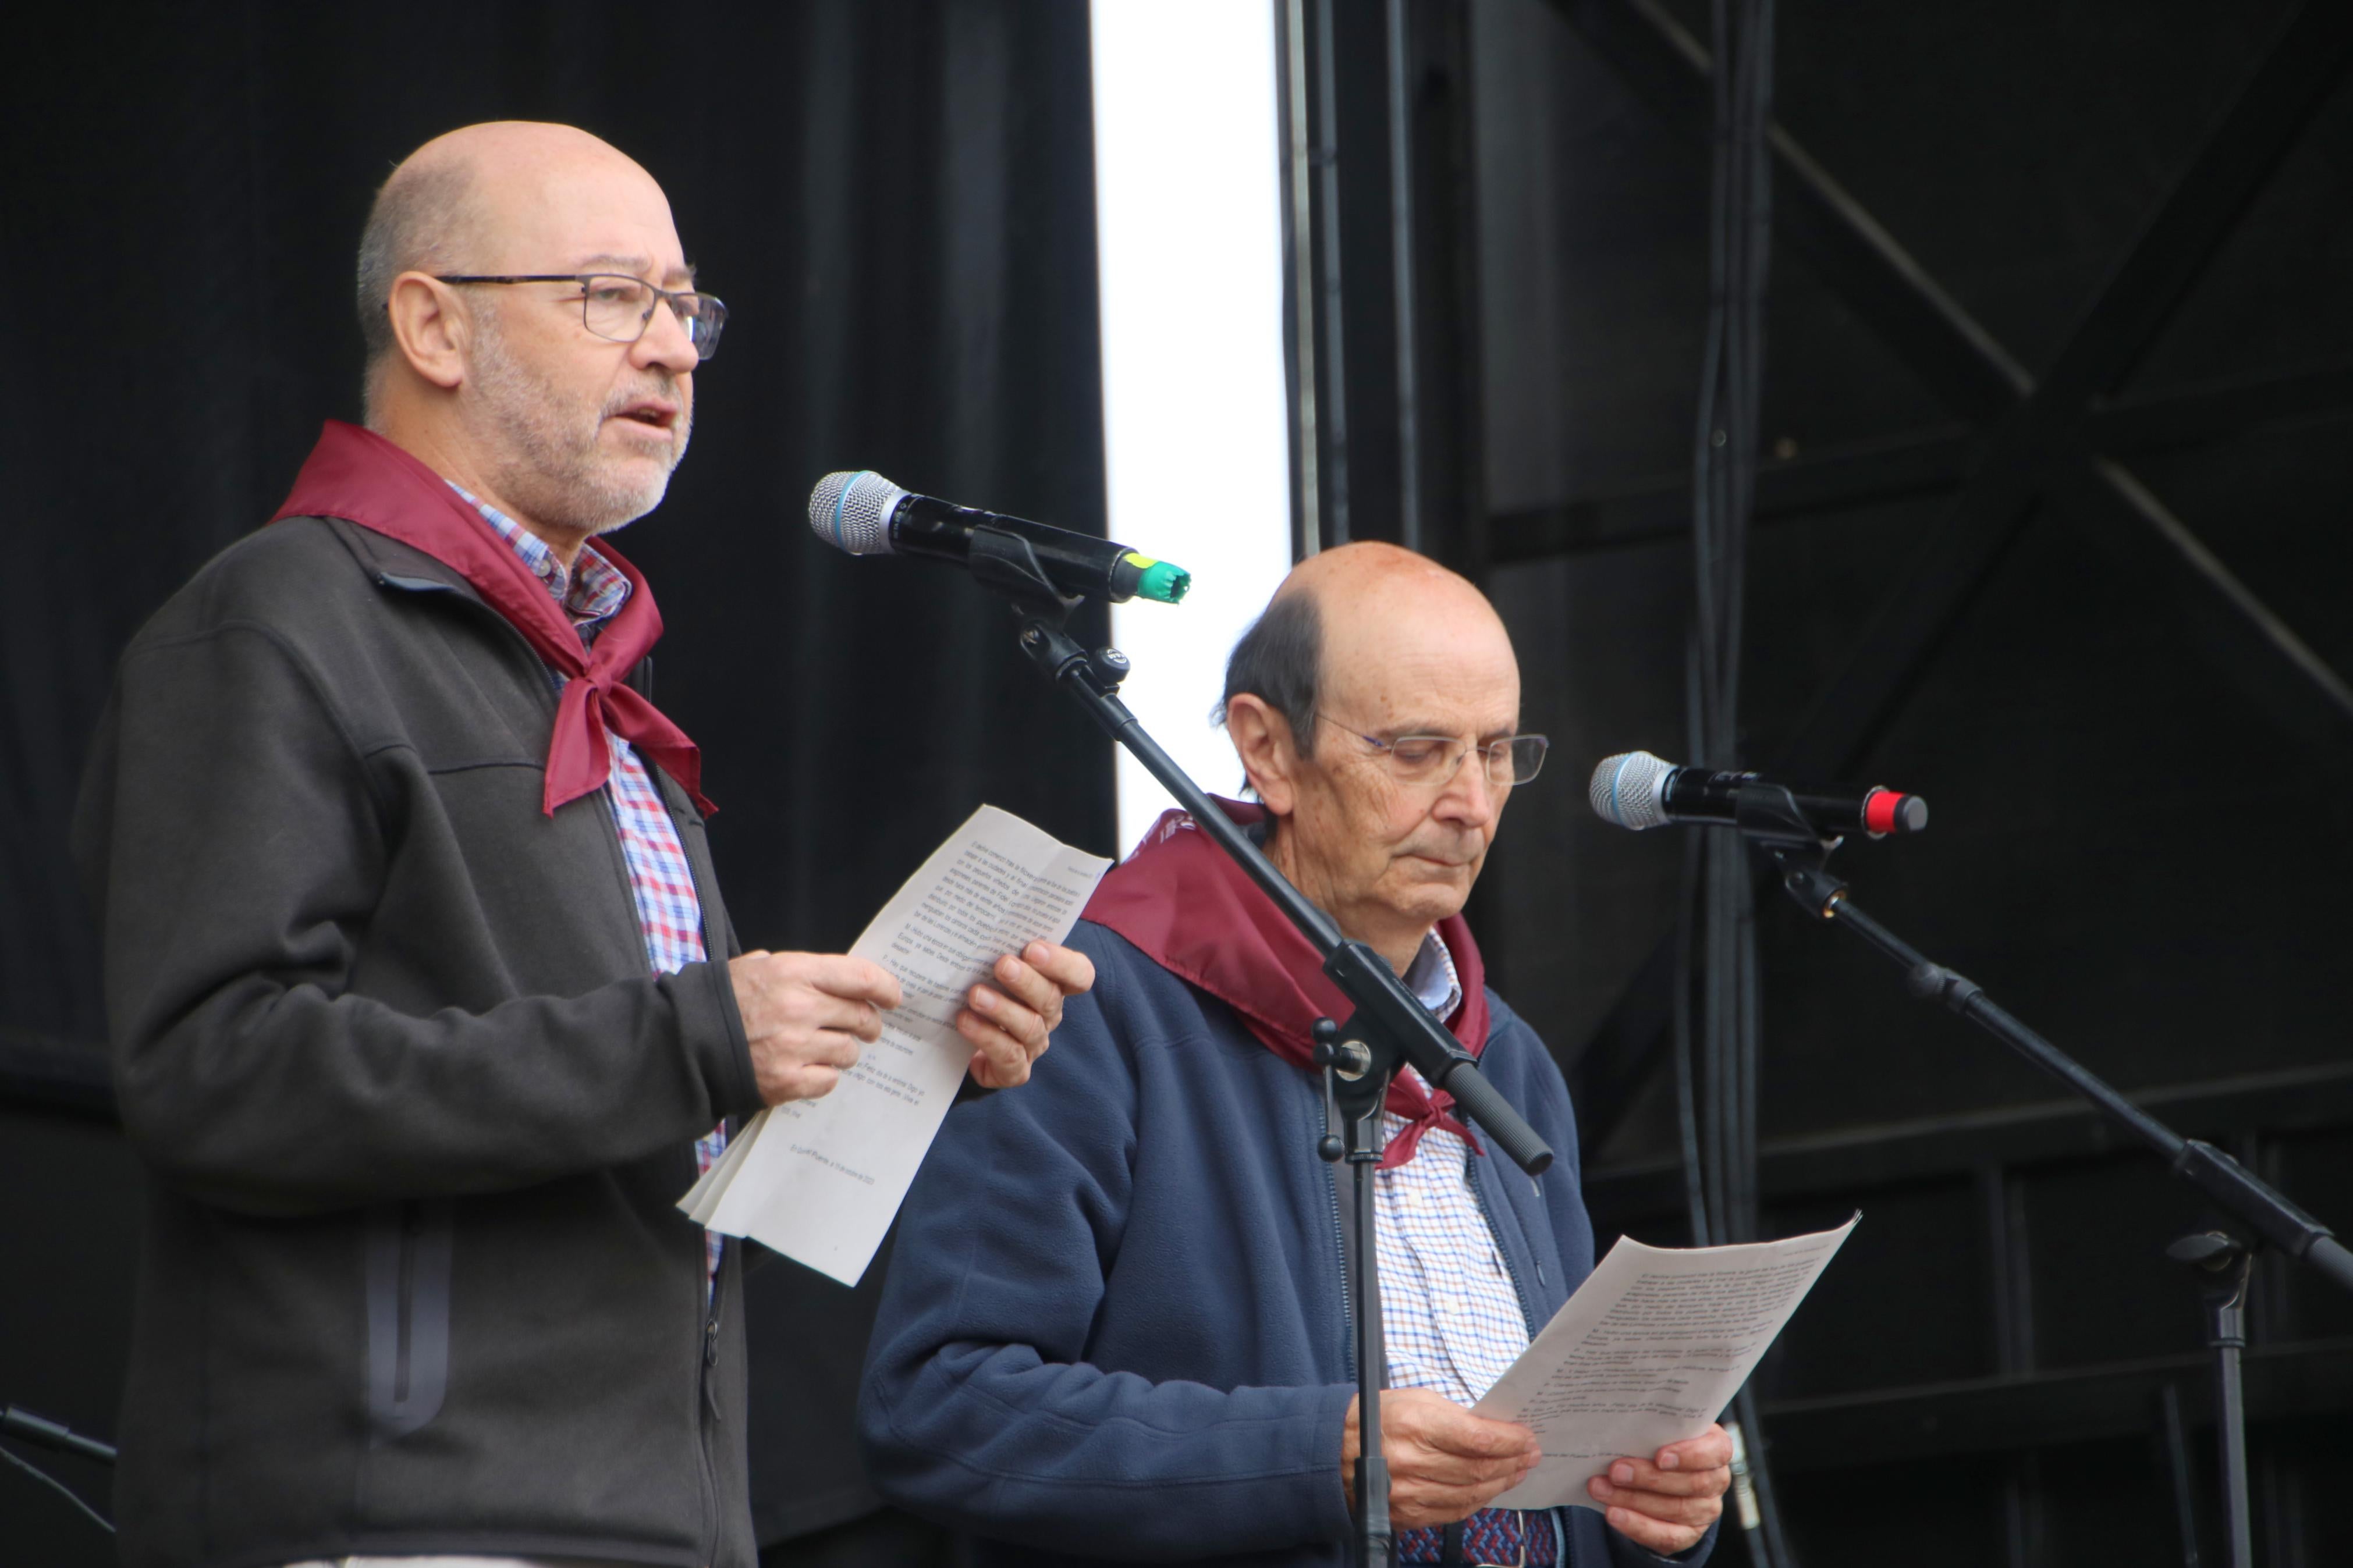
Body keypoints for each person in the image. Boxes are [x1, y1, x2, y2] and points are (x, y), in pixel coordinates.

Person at [71, 120, 1092, 1568]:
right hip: (409, 1516)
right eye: (614, 295)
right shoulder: (274, 626)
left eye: (688, 305)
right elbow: (212, 1072)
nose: (674, 348)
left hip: (655, 1514)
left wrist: (908, 1052)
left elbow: (655, 1102)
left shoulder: (591, 672)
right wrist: (694, 1038)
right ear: (434, 323)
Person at [859, 543, 1729, 1567]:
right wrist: (1317, 1458)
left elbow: (1556, 1471)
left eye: (1496, 751)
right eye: (1417, 750)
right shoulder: (1083, 1004)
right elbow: (943, 1408)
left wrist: (1650, 1507)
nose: (1471, 805)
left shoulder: (1510, 1062)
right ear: (1266, 749)